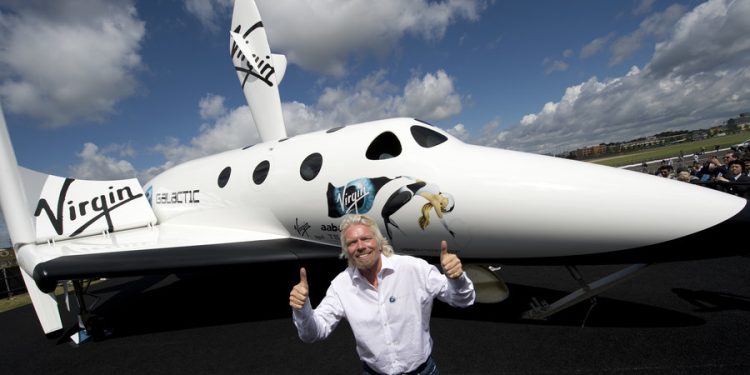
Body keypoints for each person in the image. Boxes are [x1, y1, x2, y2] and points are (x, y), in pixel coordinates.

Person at [289, 214, 475, 375]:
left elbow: (463, 300)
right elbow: (313, 333)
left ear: (379, 242)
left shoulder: (413, 268)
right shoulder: (341, 286)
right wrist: (302, 309)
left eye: (366, 239)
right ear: (347, 251)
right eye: (352, 243)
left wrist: (456, 278)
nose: (360, 246)